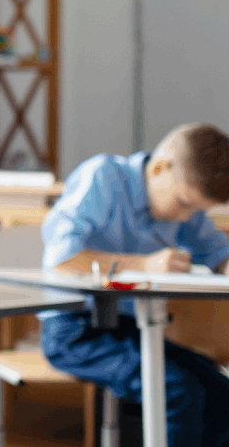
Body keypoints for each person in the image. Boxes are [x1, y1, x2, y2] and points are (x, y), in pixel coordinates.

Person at [40, 123, 229, 447]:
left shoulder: (185, 206)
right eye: (184, 204)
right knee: (177, 390)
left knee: (220, 391)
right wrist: (142, 265)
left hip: (135, 329)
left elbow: (217, 252)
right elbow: (62, 257)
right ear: (159, 168)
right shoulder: (103, 178)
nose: (186, 218)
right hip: (75, 332)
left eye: (196, 210)